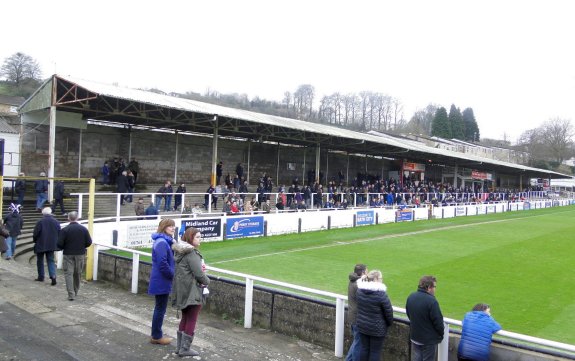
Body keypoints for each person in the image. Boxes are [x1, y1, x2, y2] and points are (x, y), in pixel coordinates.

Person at [171, 227, 210, 357]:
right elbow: (199, 274)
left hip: (182, 289)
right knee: (192, 318)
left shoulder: (179, 252)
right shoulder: (191, 253)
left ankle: (179, 348)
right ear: (190, 238)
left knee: (185, 317)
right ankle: (185, 349)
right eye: (198, 237)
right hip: (192, 290)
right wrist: (207, 281)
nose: (200, 239)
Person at [148, 218, 176, 345]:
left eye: (174, 226)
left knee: (160, 308)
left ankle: (156, 335)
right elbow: (162, 264)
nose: (173, 228)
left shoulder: (165, 241)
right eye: (170, 226)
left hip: (161, 279)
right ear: (164, 227)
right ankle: (156, 336)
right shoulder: (162, 243)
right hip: (161, 280)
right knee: (160, 308)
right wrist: (172, 275)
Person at [356, 270, 394, 361]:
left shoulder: (359, 291)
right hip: (377, 328)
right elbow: (389, 312)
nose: (382, 280)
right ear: (376, 279)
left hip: (362, 325)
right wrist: (389, 323)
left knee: (364, 348)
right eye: (381, 278)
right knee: (375, 351)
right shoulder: (381, 294)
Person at [406, 275, 444, 361]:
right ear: (429, 287)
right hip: (428, 341)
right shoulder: (432, 301)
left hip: (415, 337)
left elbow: (409, 314)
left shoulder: (411, 296)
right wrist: (440, 335)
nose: (435, 289)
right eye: (434, 287)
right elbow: (438, 322)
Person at [57, 212, 93, 301]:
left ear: (68, 218)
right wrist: (81, 247)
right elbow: (89, 242)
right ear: (77, 218)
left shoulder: (65, 230)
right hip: (80, 254)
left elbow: (59, 244)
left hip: (68, 254)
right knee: (78, 273)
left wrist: (65, 247)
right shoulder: (83, 229)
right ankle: (75, 291)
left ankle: (71, 294)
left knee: (68, 274)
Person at [32, 207, 61, 285]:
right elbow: (59, 232)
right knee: (50, 260)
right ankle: (53, 276)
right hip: (52, 244)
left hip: (41, 243)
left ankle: (41, 276)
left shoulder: (40, 222)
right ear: (51, 213)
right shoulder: (56, 222)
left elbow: (35, 233)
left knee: (40, 260)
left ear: (43, 213)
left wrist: (35, 240)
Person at [345, 264, 367, 361]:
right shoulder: (358, 284)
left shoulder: (352, 281)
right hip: (357, 318)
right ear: (362, 272)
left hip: (353, 316)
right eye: (366, 272)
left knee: (356, 342)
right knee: (358, 344)